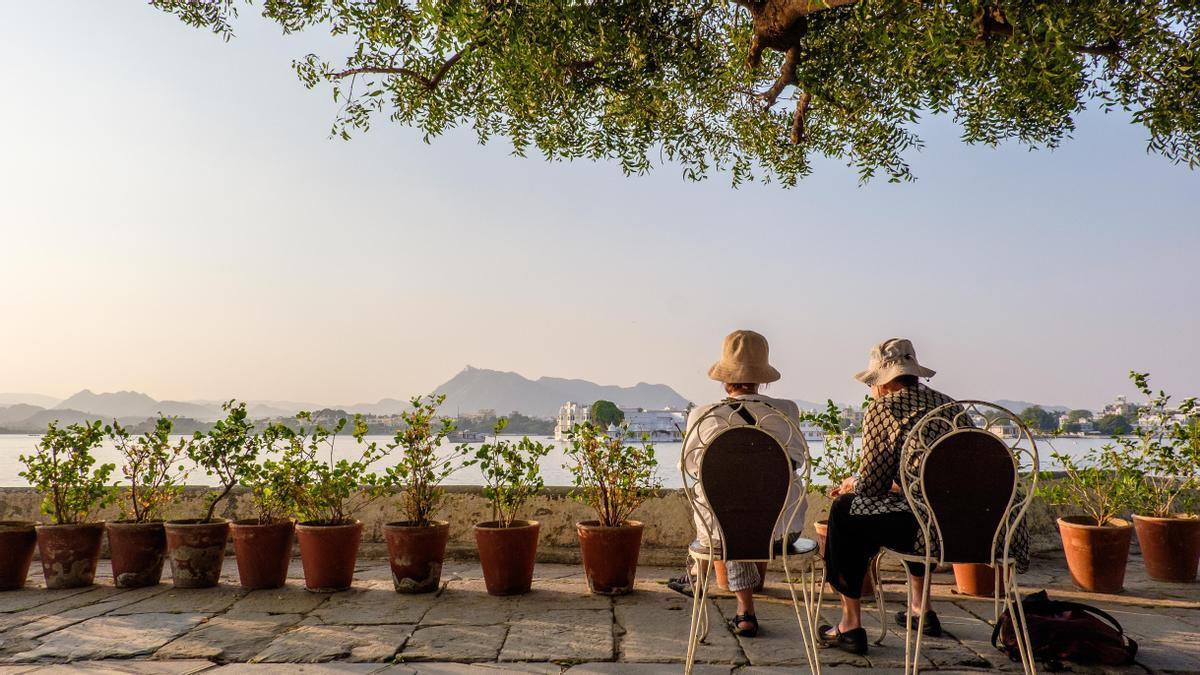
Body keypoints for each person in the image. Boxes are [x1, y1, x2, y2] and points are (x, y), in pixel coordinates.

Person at [818, 337, 1029, 654]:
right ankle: (921, 609)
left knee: (845, 512)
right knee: (916, 505)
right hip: (988, 529)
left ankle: (850, 625)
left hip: (928, 533)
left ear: (882, 383)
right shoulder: (949, 404)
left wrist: (852, 482)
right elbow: (945, 475)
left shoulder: (883, 408)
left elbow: (873, 486)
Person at [670, 329, 809, 638]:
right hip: (782, 532)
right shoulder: (786, 411)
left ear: (724, 377)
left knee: (726, 507)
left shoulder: (703, 414)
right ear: (763, 377)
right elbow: (796, 461)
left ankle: (741, 608)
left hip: (721, 535)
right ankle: (723, 593)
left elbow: (692, 467)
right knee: (743, 508)